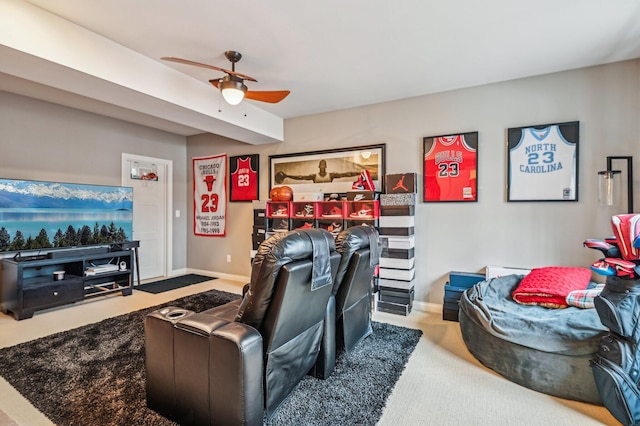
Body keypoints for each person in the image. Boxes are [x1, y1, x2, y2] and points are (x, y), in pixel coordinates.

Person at [275, 159, 376, 184]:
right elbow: (300, 177)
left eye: (324, 165)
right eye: (321, 165)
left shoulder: (331, 175)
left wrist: (360, 173)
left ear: (326, 166)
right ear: (319, 166)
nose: (322, 167)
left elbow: (346, 174)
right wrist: (287, 175)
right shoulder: (314, 176)